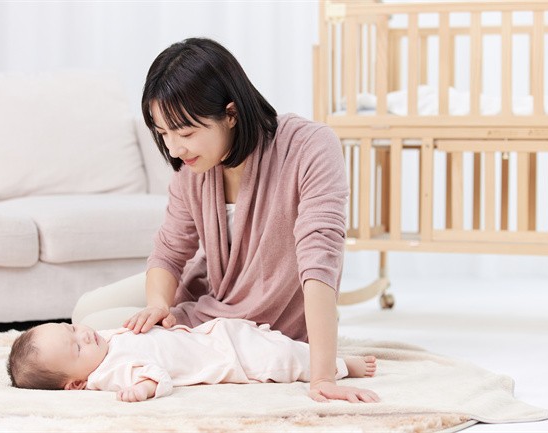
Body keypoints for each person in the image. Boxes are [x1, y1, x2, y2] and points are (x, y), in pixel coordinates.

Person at [72, 37, 378, 403]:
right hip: (208, 288)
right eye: (164, 134)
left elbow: (320, 257)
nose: (174, 149)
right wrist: (158, 305)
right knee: (85, 310)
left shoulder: (310, 146)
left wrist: (322, 374)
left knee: (94, 329)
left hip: (256, 321)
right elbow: (170, 250)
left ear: (231, 114)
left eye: (186, 133)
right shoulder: (192, 167)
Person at [7, 319, 377, 403]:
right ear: (76, 383)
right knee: (285, 360)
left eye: (72, 329)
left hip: (216, 334)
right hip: (231, 360)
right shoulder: (107, 372)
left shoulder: (102, 342)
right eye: (76, 348)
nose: (84, 335)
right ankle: (342, 365)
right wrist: (143, 389)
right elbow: (156, 374)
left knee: (281, 343)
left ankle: (331, 356)